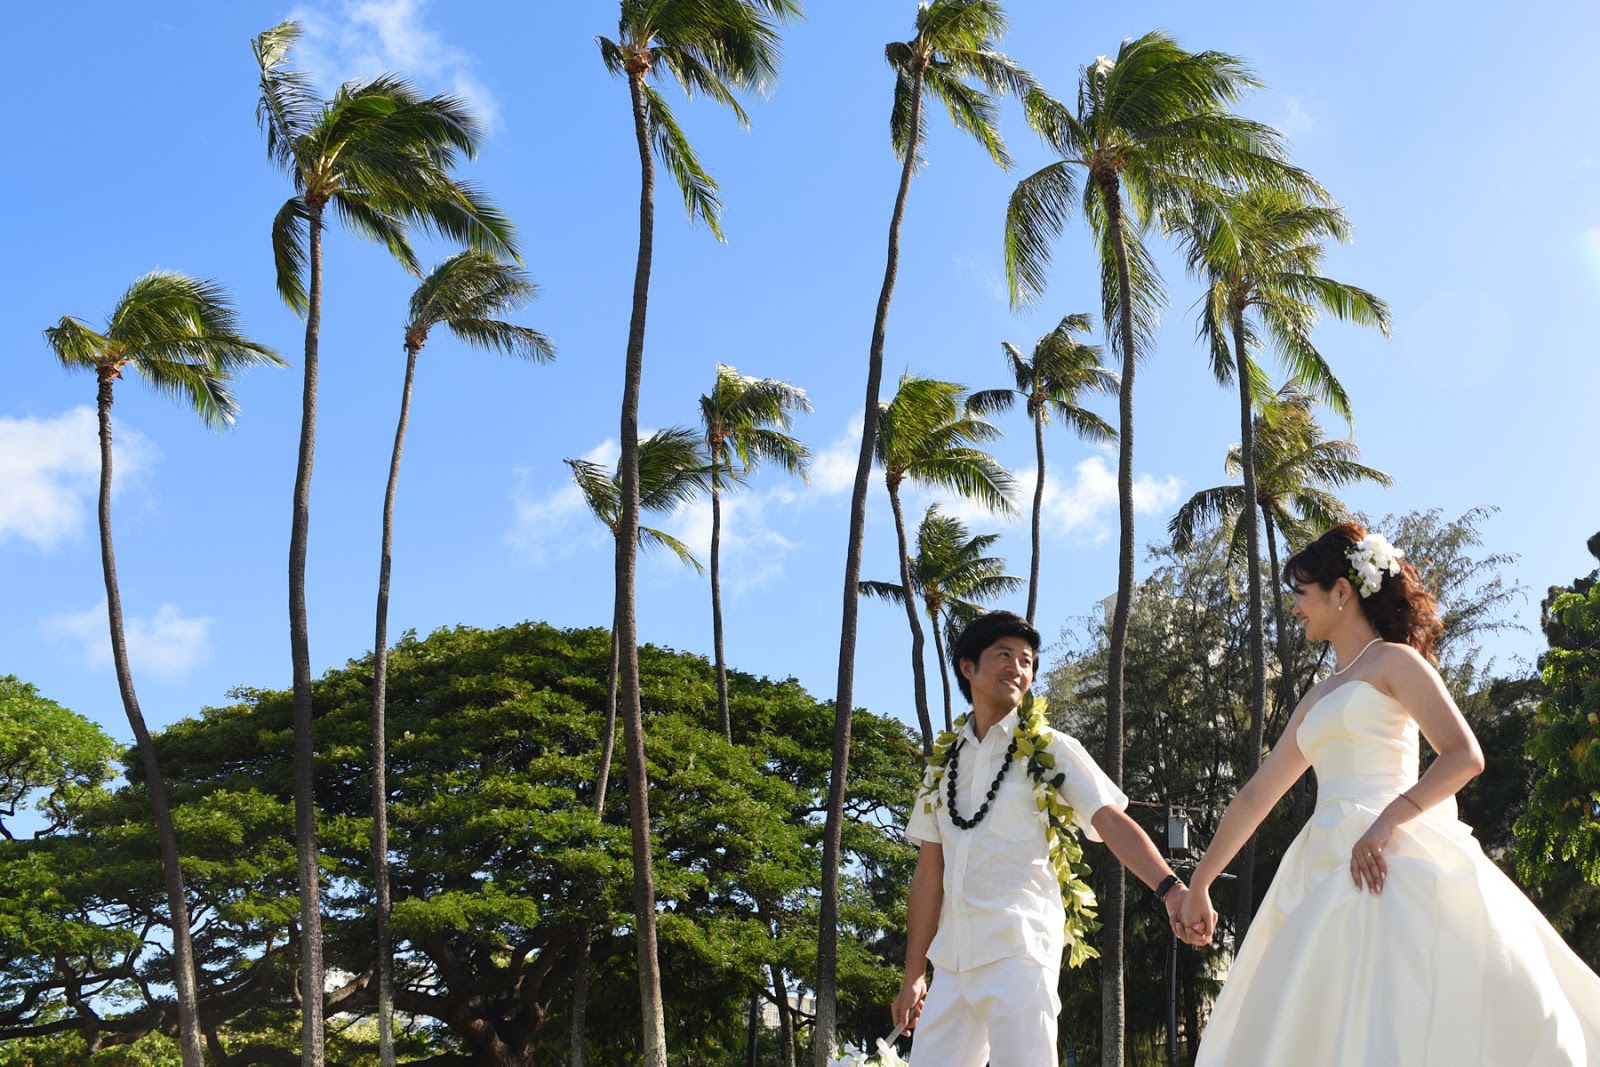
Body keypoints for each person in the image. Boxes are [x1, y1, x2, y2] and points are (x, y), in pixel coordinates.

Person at [1179, 523, 1600, 1065]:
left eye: (1303, 594)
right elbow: (1258, 794)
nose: (1296, 609)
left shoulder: (1397, 662)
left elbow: (1463, 754)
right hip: (1321, 859)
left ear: (1341, 591)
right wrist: (1201, 883)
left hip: (1391, 854)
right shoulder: (1316, 695)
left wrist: (1385, 824)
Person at [893, 610, 1203, 1067]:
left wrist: (1171, 888)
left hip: (1019, 951)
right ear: (968, 667)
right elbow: (928, 873)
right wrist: (914, 974)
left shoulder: (1052, 747)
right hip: (953, 963)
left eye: (1026, 660)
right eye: (1004, 655)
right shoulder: (942, 767)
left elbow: (1111, 821)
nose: (1017, 668)